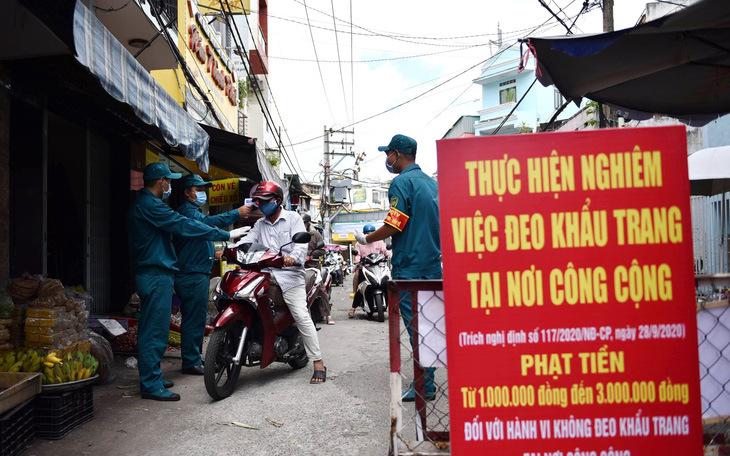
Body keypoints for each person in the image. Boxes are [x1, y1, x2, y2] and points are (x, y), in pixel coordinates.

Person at [126, 163, 248, 401]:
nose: (169, 185)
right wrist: (227, 234)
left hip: (158, 273)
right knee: (154, 331)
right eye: (168, 181)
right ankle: (150, 384)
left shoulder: (149, 205)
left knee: (157, 329)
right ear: (161, 181)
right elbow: (185, 225)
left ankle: (153, 376)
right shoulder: (151, 206)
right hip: (155, 273)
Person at [354, 134, 441, 402]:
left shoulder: (401, 183)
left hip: (410, 268)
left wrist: (366, 239)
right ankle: (428, 382)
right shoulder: (432, 184)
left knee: (416, 328)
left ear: (398, 155)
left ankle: (423, 387)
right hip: (434, 266)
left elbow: (395, 224)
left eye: (388, 154)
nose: (387, 160)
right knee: (430, 327)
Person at [239, 182, 328, 384]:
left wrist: (292, 258)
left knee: (301, 315)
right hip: (264, 275)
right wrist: (229, 249)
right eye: (258, 201)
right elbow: (247, 240)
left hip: (289, 275)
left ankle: (318, 362)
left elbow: (300, 247)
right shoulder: (260, 224)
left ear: (278, 201)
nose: (260, 204)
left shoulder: (293, 219)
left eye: (265, 201)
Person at [173, 174, 252, 375]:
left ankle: (193, 358)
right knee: (194, 318)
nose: (202, 193)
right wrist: (237, 213)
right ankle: (191, 362)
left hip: (196, 270)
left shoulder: (193, 212)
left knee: (196, 317)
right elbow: (209, 223)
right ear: (186, 192)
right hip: (191, 272)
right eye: (198, 189)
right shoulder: (189, 213)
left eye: (203, 189)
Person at [348, 224, 391, 318]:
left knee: (389, 284)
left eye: (371, 234)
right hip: (365, 267)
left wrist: (389, 254)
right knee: (360, 285)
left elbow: (385, 250)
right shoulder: (359, 243)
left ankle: (396, 308)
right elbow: (357, 254)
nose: (369, 236)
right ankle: (353, 307)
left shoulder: (379, 241)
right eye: (367, 234)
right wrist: (357, 260)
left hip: (379, 266)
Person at [302, 214, 334, 325]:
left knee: (320, 289)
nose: (302, 225)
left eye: (304, 223)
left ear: (308, 223)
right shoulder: (294, 234)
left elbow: (322, 250)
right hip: (298, 267)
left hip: (312, 266)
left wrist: (310, 255)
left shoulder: (315, 235)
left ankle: (328, 315)